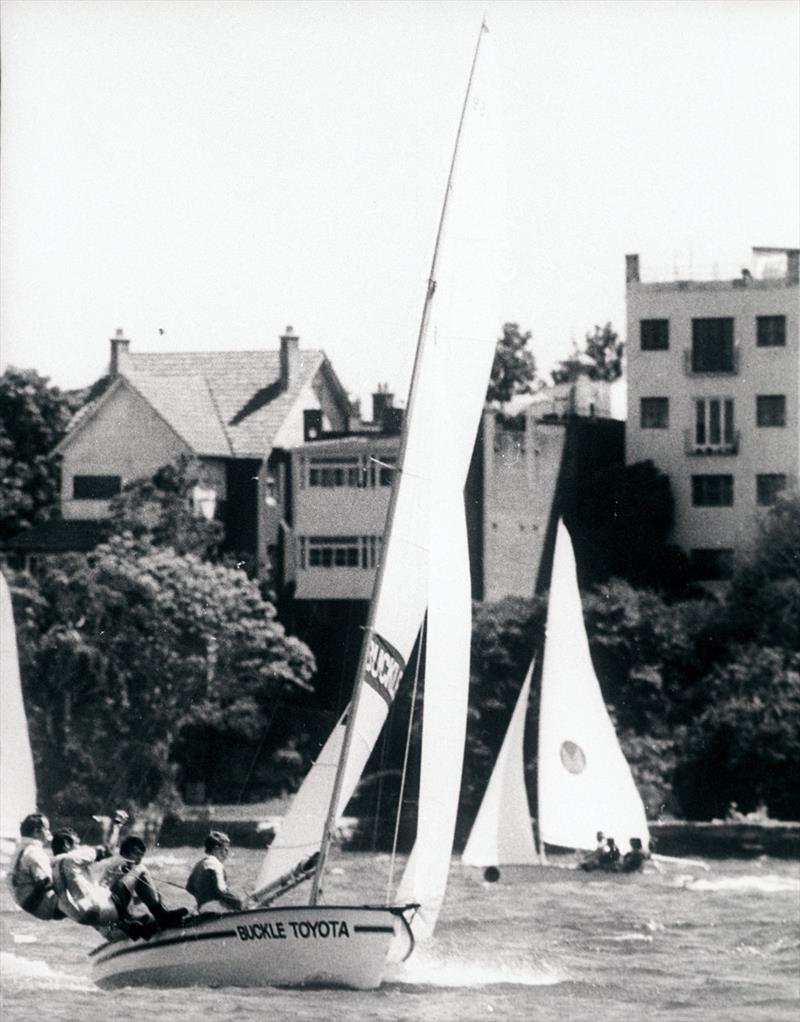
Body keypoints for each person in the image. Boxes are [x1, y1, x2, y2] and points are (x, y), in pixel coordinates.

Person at [100, 835, 188, 939]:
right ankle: (161, 914)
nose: (139, 859)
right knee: (141, 869)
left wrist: (148, 896)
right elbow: (108, 894)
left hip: (120, 920)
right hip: (114, 927)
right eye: (136, 854)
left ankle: (159, 917)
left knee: (149, 920)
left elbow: (119, 898)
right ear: (124, 853)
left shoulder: (123, 873)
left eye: (141, 856)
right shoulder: (120, 863)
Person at [51, 810, 128, 926]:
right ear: (67, 844)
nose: (80, 846)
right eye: (77, 843)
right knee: (134, 869)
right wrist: (117, 825)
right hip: (98, 911)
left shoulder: (51, 864)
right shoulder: (73, 857)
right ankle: (155, 915)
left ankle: (123, 927)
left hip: (80, 917)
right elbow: (109, 850)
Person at [8, 812, 63, 921]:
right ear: (36, 832)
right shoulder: (34, 852)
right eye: (46, 829)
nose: (49, 833)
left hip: (24, 902)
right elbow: (46, 882)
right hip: (40, 905)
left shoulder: (20, 848)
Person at [186, 831, 247, 913]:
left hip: (202, 910)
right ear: (216, 848)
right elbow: (221, 891)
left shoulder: (199, 864)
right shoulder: (215, 864)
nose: (227, 854)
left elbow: (189, 889)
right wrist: (240, 903)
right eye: (226, 849)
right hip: (214, 909)